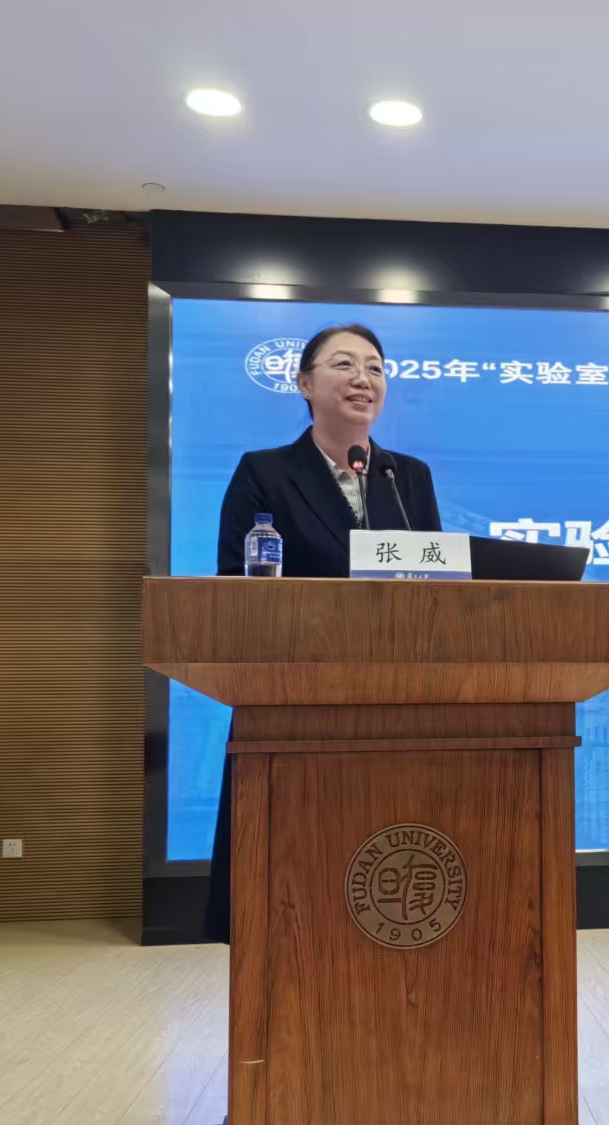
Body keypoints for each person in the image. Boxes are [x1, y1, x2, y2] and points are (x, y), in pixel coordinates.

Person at [203, 323, 442, 943]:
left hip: (398, 701)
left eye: (375, 368)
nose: (364, 378)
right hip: (293, 702)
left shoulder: (406, 477)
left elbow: (437, 588)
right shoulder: (265, 472)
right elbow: (236, 587)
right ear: (305, 384)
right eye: (344, 364)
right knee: (292, 893)